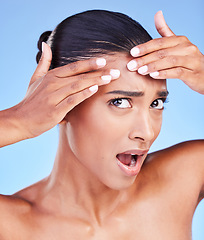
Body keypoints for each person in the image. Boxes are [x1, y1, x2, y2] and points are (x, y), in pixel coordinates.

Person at [0, 9, 203, 239]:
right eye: (120, 101)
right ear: (62, 105)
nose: (146, 132)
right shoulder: (10, 225)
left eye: (156, 103)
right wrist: (19, 119)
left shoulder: (184, 177)